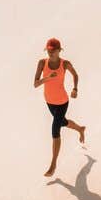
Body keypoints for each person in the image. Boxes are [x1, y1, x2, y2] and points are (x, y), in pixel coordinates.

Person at [34, 38, 85, 177]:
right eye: (48, 50)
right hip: (49, 101)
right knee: (62, 123)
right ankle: (80, 129)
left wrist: (75, 89)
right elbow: (36, 84)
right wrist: (48, 78)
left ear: (59, 50)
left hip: (62, 102)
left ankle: (53, 164)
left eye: (53, 51)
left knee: (55, 129)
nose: (50, 53)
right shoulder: (42, 63)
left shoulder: (65, 64)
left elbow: (75, 74)